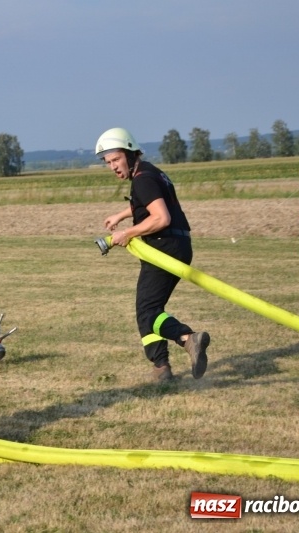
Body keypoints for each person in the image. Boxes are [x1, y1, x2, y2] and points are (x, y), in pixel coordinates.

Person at [95, 127, 210, 382]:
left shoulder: (142, 179)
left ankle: (187, 339)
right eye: (108, 162)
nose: (112, 166)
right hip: (178, 245)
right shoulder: (151, 172)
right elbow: (149, 202)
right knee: (150, 309)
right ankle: (161, 367)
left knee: (147, 312)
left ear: (129, 153)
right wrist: (122, 214)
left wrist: (129, 233)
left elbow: (161, 217)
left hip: (163, 247)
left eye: (116, 159)